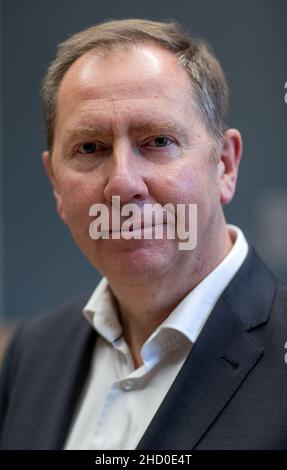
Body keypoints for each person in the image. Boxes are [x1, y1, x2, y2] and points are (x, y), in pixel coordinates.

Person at [1, 18, 287, 451]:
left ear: (225, 166)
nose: (122, 183)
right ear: (56, 184)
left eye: (157, 141)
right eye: (90, 148)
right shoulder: (33, 353)